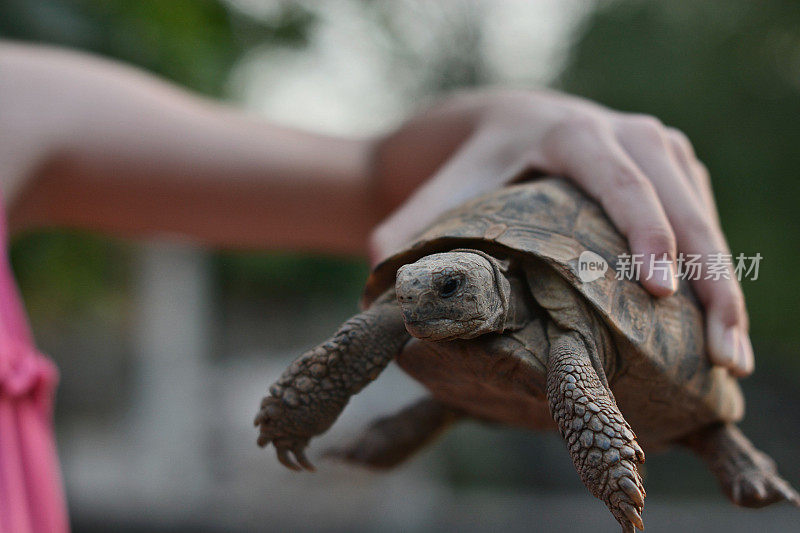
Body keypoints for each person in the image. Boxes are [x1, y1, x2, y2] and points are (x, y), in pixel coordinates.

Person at [0, 41, 752, 532]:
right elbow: (387, 317)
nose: (419, 300)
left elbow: (375, 173)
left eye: (449, 286)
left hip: (603, 334)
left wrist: (507, 117)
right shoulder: (419, 303)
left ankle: (728, 446)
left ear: (489, 283)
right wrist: (298, 409)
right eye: (414, 285)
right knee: (382, 342)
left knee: (594, 380)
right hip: (496, 378)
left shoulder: (22, 106)